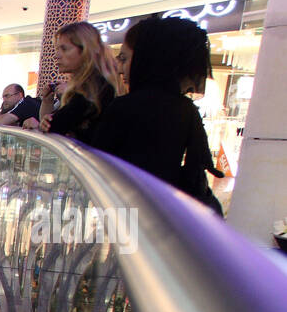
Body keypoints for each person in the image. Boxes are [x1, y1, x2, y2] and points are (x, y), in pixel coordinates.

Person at [94, 16, 223, 212]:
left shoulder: (124, 107)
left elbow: (97, 164)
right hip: (163, 213)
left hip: (126, 210)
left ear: (146, 59)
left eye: (125, 59)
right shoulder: (185, 109)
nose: (120, 68)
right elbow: (194, 171)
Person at [38, 21, 118, 143]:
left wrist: (48, 122)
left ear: (86, 50)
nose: (56, 55)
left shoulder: (94, 88)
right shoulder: (95, 85)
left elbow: (54, 126)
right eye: (57, 49)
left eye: (64, 49)